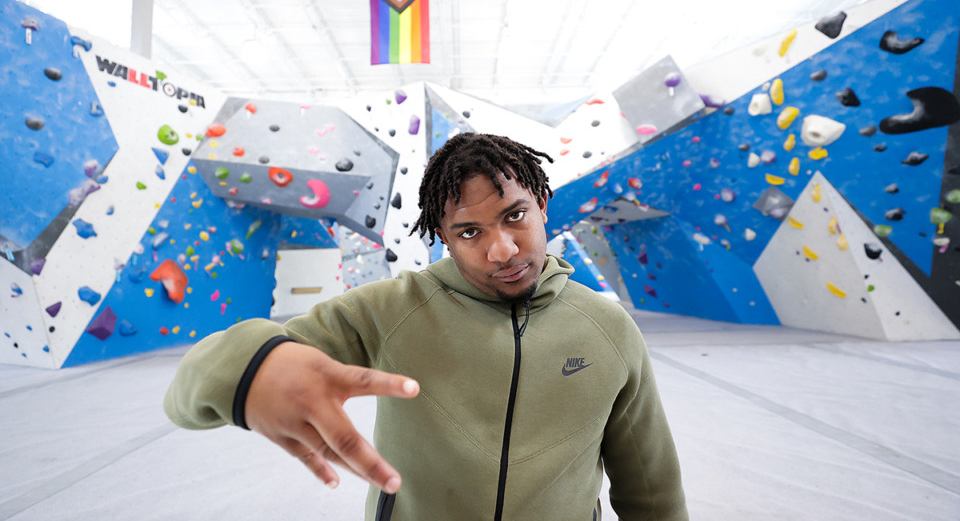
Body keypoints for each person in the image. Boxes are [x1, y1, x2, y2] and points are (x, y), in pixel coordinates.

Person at [164, 133, 688, 520]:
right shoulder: (391, 310)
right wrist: (254, 367)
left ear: (542, 206)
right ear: (443, 236)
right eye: (469, 231)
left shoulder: (606, 328)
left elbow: (651, 487)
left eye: (514, 217)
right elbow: (188, 395)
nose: (501, 249)